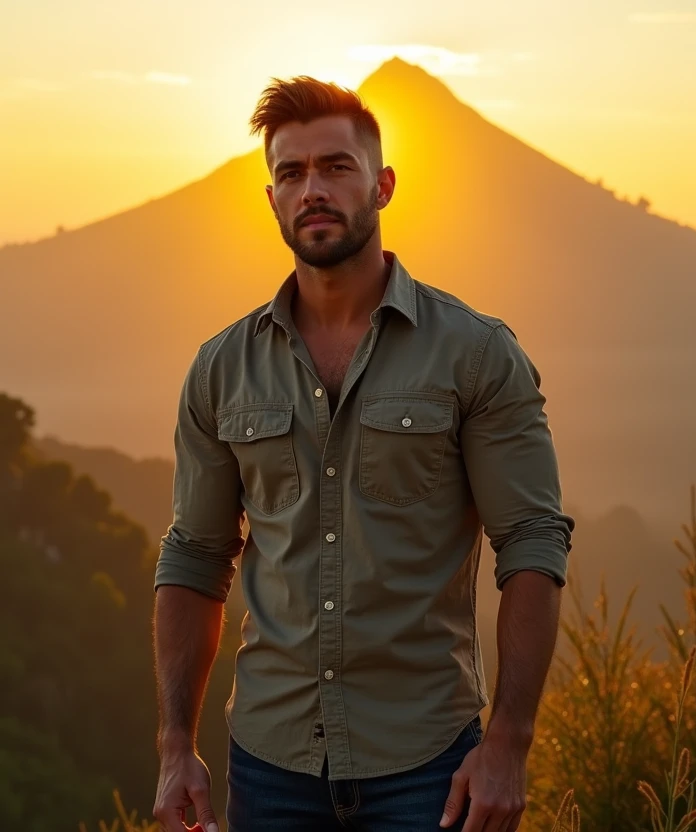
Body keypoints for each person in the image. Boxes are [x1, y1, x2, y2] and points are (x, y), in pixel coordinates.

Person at [152, 75, 575, 832]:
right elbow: (195, 556)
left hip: (428, 770)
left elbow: (533, 542)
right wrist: (175, 745)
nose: (312, 188)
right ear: (272, 198)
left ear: (381, 186)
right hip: (269, 766)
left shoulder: (475, 355)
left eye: (335, 167)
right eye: (291, 173)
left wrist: (510, 743)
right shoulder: (220, 370)